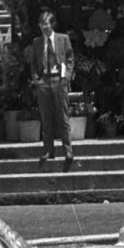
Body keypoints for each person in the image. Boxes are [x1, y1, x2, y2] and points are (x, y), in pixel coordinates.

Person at [28, 9, 75, 170]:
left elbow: (70, 59)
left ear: (52, 24)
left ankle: (68, 151)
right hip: (44, 81)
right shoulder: (37, 42)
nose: (44, 27)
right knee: (46, 117)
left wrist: (66, 78)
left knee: (62, 116)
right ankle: (48, 150)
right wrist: (36, 79)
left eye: (46, 24)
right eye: (41, 24)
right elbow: (34, 63)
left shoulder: (63, 39)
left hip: (59, 80)